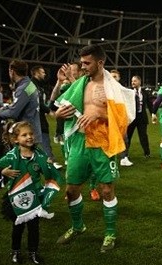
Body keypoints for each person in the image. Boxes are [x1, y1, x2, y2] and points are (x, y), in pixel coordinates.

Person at [54, 45, 134, 252]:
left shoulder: (112, 88)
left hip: (103, 143)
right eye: (82, 63)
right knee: (71, 190)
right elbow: (60, 107)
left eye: (87, 63)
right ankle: (78, 226)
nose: (83, 67)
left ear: (100, 62)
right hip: (80, 142)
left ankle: (110, 234)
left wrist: (99, 115)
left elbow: (123, 119)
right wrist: (58, 115)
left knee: (106, 190)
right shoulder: (80, 84)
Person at [0, 121, 61, 265]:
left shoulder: (39, 155)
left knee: (34, 228)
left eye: (31, 134)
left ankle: (33, 253)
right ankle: (15, 251)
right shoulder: (11, 156)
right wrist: (2, 171)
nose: (29, 137)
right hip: (16, 198)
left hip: (35, 197)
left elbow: (50, 174)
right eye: (24, 135)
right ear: (16, 140)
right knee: (18, 227)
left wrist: (48, 167)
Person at [0, 59, 42, 146]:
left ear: (12, 71)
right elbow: (18, 105)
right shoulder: (29, 85)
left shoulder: (23, 88)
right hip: (32, 131)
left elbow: (13, 113)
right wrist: (5, 108)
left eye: (9, 71)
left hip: (26, 134)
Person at [31, 65, 59, 168]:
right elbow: (36, 102)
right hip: (34, 117)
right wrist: (49, 111)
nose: (44, 74)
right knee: (42, 135)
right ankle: (49, 159)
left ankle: (47, 158)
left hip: (39, 116)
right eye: (42, 72)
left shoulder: (39, 85)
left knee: (39, 136)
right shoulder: (31, 86)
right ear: (36, 73)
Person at [120, 75, 151, 165]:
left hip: (142, 117)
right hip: (131, 117)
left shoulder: (144, 92)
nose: (133, 82)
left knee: (143, 136)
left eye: (135, 81)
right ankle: (125, 154)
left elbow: (149, 103)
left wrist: (153, 113)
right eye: (132, 81)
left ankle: (147, 153)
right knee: (128, 136)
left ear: (139, 82)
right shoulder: (129, 92)